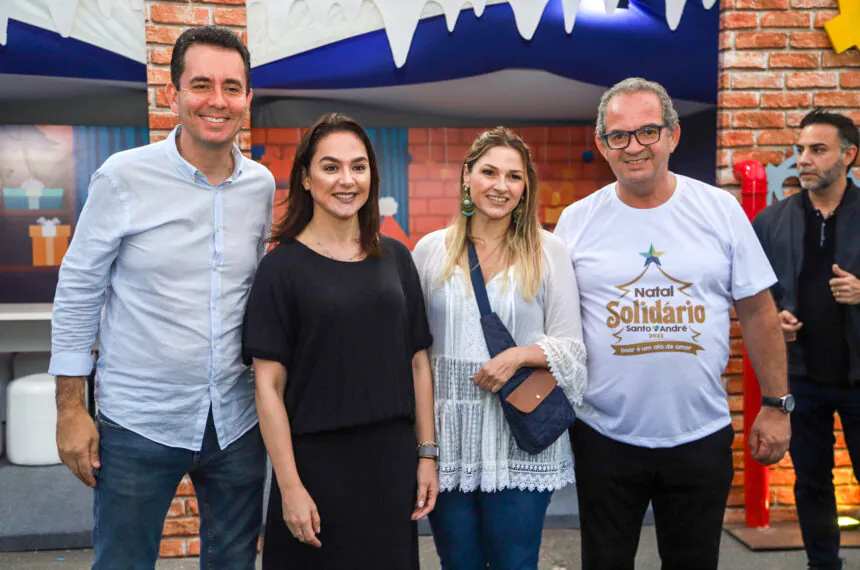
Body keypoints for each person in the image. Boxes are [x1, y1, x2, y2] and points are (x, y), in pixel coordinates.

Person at [50, 25, 273, 569]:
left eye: (231, 87)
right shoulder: (123, 178)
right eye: (201, 85)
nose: (216, 101)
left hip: (238, 420)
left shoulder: (261, 185)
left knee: (235, 562)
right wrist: (71, 409)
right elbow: (79, 290)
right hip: (138, 421)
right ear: (172, 94)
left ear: (248, 98)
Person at [554, 77, 791, 570]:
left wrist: (775, 405)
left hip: (699, 436)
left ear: (673, 135)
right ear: (602, 144)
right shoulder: (577, 221)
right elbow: (559, 325)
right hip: (603, 437)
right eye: (619, 136)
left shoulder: (719, 210)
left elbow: (758, 311)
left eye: (648, 132)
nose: (634, 146)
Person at [243, 113, 437, 569]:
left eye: (358, 166)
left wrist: (426, 455)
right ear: (306, 179)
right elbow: (267, 387)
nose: (346, 180)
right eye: (330, 167)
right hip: (315, 468)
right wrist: (289, 487)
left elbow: (418, 363)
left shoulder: (396, 259)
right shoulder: (281, 268)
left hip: (390, 463)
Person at [412, 127, 587, 569]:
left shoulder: (549, 251)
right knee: (458, 563)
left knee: (515, 563)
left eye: (514, 176)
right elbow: (415, 357)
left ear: (525, 187)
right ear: (467, 177)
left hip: (520, 438)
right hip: (449, 441)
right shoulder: (431, 251)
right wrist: (424, 449)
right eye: (489, 172)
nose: (500, 186)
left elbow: (571, 348)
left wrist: (517, 355)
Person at [753, 109, 860, 570]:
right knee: (812, 481)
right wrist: (776, 316)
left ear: (849, 155)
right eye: (800, 150)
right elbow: (754, 295)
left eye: (818, 150)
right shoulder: (771, 220)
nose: (804, 160)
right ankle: (823, 565)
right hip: (801, 377)